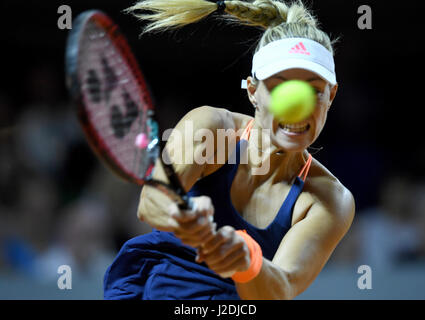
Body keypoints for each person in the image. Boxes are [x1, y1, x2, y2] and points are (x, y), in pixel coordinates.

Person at [104, 0, 355, 300]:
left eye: (314, 90)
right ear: (252, 91)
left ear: (332, 95)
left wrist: (247, 261)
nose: (297, 106)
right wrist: (184, 215)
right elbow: (151, 201)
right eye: (279, 88)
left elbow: (282, 288)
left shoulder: (330, 201)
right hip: (157, 288)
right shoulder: (211, 126)